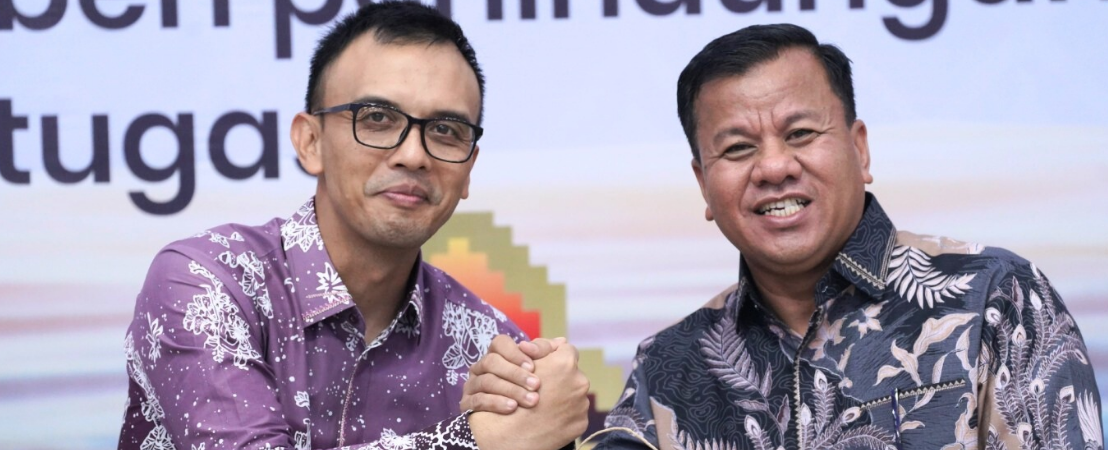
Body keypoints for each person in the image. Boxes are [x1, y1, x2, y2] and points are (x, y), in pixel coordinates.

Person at [470, 24, 1103, 449]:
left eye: (800, 134)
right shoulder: (669, 364)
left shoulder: (995, 297)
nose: (774, 167)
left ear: (859, 149)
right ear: (703, 185)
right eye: (737, 148)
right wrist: (522, 423)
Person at [117, 3, 588, 450]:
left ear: (469, 170)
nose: (413, 155)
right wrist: (478, 439)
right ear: (310, 142)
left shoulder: (490, 348)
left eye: (446, 130)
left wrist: (541, 430)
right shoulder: (206, 282)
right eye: (378, 118)